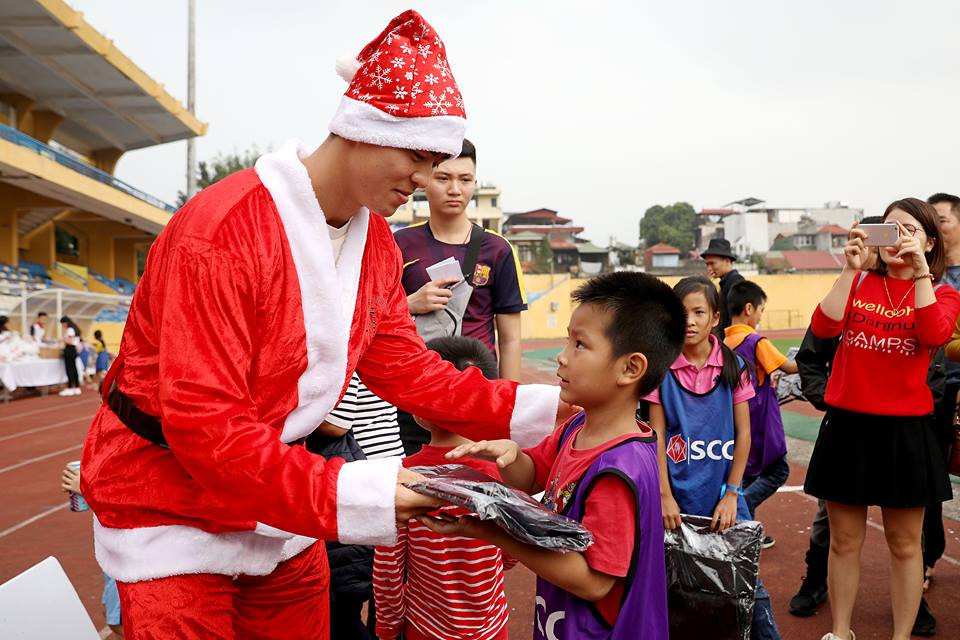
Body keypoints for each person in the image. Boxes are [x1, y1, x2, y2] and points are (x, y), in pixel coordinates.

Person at [79, 11, 563, 640]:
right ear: (361, 129)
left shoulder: (375, 248)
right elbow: (206, 428)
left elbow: (411, 373)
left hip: (276, 498)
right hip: (168, 503)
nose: (424, 183)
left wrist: (562, 408)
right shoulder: (222, 232)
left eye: (440, 161)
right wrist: (371, 489)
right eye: (417, 156)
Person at [421, 272, 684, 639]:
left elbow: (595, 582)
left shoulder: (617, 469)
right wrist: (509, 455)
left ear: (630, 368)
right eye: (567, 339)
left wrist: (494, 532)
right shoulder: (576, 430)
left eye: (580, 344)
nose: (561, 356)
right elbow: (531, 476)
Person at [804, 198, 960, 640]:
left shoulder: (943, 293)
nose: (897, 240)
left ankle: (901, 636)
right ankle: (840, 631)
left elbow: (934, 335)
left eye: (909, 231)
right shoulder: (857, 283)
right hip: (848, 428)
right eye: (888, 231)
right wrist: (850, 269)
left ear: (930, 241)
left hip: (906, 432)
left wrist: (921, 271)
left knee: (906, 546)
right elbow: (826, 327)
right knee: (844, 542)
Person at [647, 275, 780, 639]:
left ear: (716, 318)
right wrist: (664, 495)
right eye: (681, 312)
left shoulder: (734, 368)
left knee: (748, 588)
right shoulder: (661, 371)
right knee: (677, 589)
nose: (688, 320)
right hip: (677, 501)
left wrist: (732, 494)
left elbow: (744, 435)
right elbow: (657, 437)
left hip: (725, 498)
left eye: (698, 312)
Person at [374, 336, 516, 640]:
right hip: (490, 625)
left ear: (421, 405)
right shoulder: (504, 472)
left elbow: (389, 566)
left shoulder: (402, 476)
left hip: (425, 627)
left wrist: (387, 626)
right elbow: (513, 548)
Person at [394, 138, 528, 453]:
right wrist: (411, 303)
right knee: (417, 480)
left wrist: (506, 404)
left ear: (474, 184)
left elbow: (509, 339)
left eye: (465, 180)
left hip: (478, 393)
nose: (455, 189)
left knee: (474, 484)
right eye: (444, 178)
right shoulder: (400, 244)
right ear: (425, 180)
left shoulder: (498, 249)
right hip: (418, 392)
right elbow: (375, 315)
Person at [723, 279, 797, 548]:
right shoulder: (756, 341)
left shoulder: (724, 342)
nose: (761, 316)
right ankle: (743, 515)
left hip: (736, 421)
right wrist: (813, 358)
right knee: (779, 470)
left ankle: (748, 535)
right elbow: (789, 367)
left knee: (746, 474)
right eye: (761, 310)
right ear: (749, 308)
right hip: (761, 422)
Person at [924, 192, 960, 593]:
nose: (935, 225)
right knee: (930, 484)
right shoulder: (923, 276)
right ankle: (927, 558)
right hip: (931, 394)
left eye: (943, 219)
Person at [61, 463, 123, 638]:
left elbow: (138, 500)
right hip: (114, 546)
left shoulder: (143, 442)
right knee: (113, 615)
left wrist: (90, 489)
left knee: (119, 623)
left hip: (127, 549)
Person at [702, 238, 744, 331]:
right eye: (707, 264)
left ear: (727, 261)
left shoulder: (736, 282)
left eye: (712, 263)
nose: (709, 268)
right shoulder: (725, 283)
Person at [59, 315, 81, 397]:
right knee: (74, 368)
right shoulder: (74, 329)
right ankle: (76, 387)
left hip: (69, 349)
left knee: (70, 369)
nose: (62, 326)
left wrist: (62, 339)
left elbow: (70, 340)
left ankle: (70, 387)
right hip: (73, 349)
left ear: (65, 323)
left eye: (62, 324)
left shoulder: (70, 330)